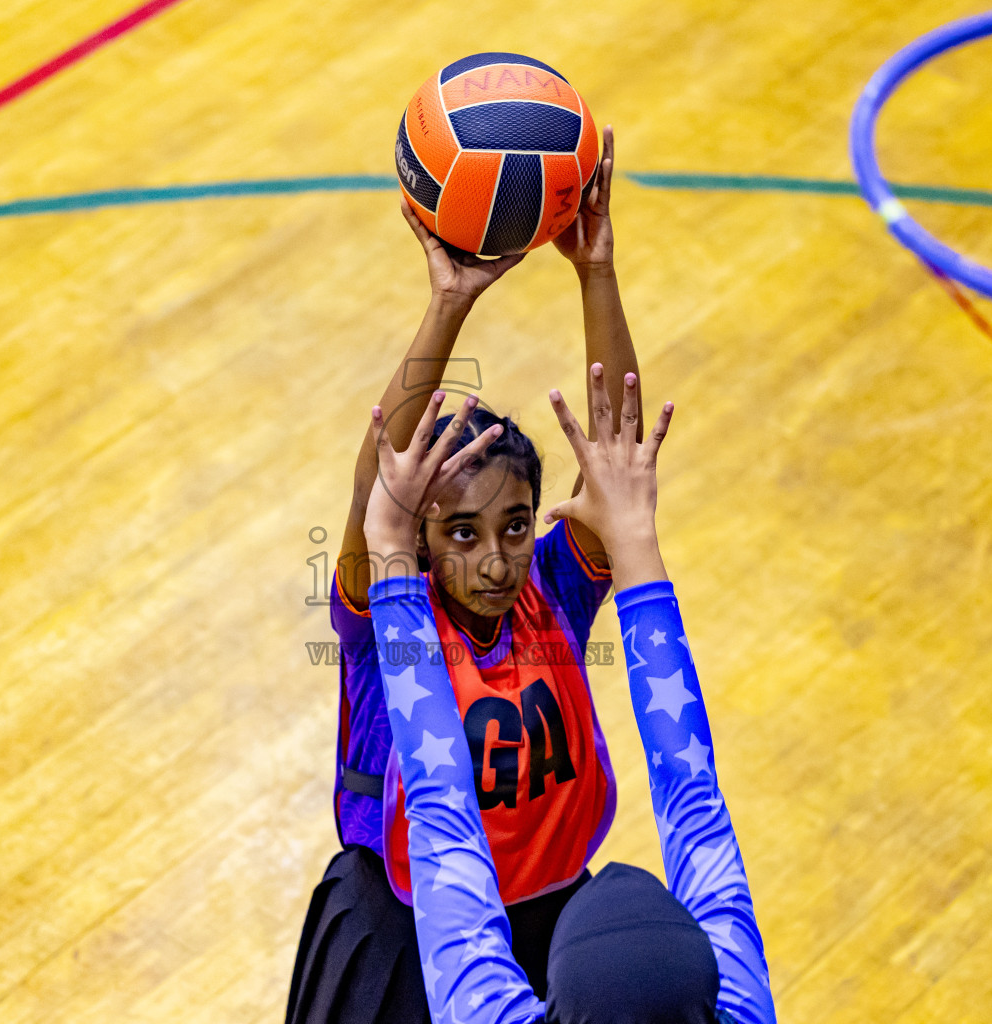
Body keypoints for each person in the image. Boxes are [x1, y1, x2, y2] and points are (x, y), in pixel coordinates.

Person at [288, 128, 643, 1024]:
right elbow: (376, 486)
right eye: (461, 532)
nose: (494, 558)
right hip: (403, 942)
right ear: (418, 534)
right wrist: (449, 304)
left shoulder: (552, 591)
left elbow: (615, 449)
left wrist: (595, 271)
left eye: (515, 526)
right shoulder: (385, 622)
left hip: (555, 927)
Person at [358, 369, 776, 1024]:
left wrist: (384, 541)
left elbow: (441, 801)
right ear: (714, 991)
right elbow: (692, 794)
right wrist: (632, 536)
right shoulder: (743, 1012)